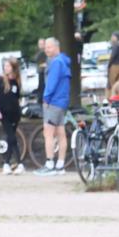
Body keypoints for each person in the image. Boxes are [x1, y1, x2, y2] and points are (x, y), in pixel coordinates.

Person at [34, 37, 71, 176]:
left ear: (56, 47)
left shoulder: (56, 63)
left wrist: (46, 98)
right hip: (62, 102)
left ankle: (50, 164)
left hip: (53, 102)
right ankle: (60, 165)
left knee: (48, 133)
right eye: (45, 47)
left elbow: (52, 83)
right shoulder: (64, 61)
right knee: (61, 133)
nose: (46, 50)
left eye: (49, 47)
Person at [0, 58, 24, 175]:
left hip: (15, 114)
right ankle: (20, 163)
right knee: (11, 137)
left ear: (13, 68)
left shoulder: (16, 81)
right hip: (4, 114)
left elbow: (17, 98)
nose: (6, 68)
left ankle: (7, 163)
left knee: (11, 139)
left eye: (8, 66)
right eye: (5, 66)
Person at [106, 32, 119, 98]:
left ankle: (111, 99)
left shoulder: (116, 45)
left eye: (112, 36)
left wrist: (109, 65)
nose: (111, 38)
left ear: (116, 38)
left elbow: (113, 56)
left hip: (115, 66)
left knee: (112, 83)